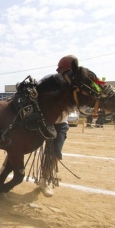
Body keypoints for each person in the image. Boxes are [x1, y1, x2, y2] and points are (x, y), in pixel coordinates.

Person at [39, 54, 79, 197]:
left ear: (70, 70)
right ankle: (1, 172)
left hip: (59, 124)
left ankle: (45, 179)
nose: (57, 69)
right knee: (19, 145)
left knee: (55, 153)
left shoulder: (77, 86)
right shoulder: (51, 82)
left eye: (61, 67)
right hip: (41, 123)